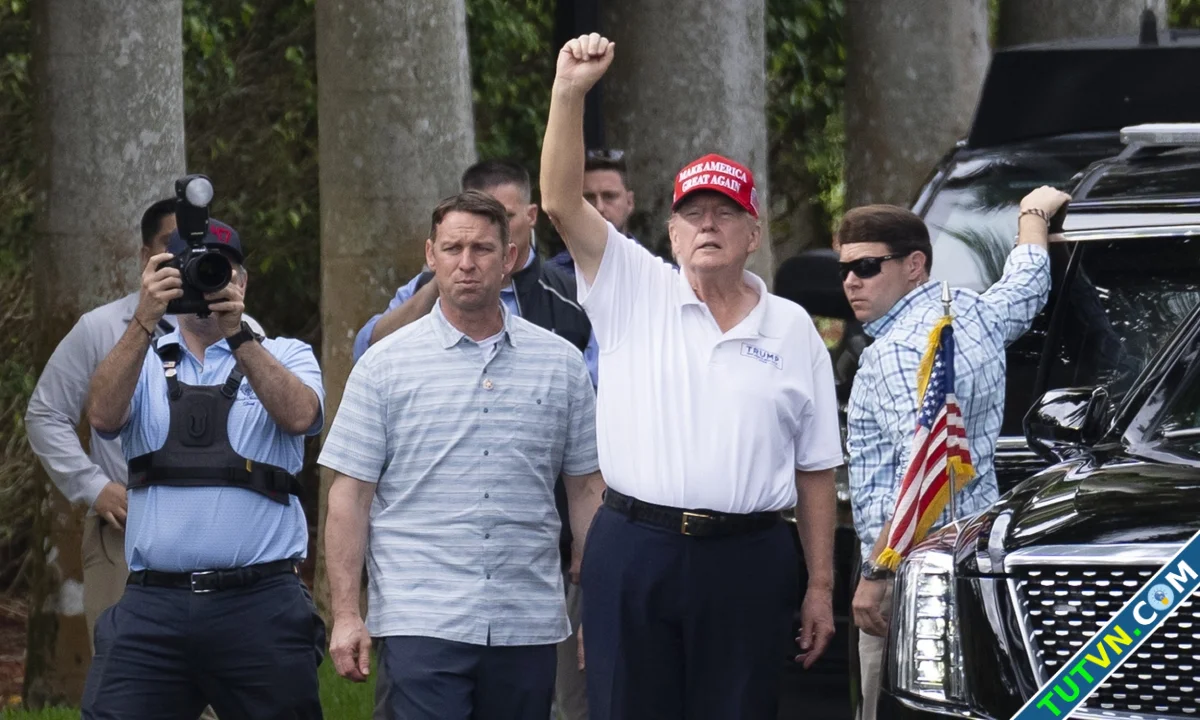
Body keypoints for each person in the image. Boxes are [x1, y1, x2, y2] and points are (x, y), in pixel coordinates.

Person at [540, 34, 843, 720]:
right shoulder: (631, 285)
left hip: (751, 555)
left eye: (725, 213)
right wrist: (569, 92)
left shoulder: (792, 327)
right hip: (636, 546)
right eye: (693, 214)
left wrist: (819, 586)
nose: (708, 225)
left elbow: (816, 470)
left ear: (753, 233)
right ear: (671, 233)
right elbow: (559, 200)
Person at [320, 190, 605, 720]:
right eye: (452, 249)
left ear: (511, 258)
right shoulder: (384, 365)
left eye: (482, 249)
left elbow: (588, 489)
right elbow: (350, 495)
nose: (466, 264)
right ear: (431, 256)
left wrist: (599, 609)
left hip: (528, 619)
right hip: (421, 617)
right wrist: (344, 614)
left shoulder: (561, 364)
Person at [80, 219, 325, 720]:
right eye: (190, 272)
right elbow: (102, 415)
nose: (207, 284)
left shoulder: (284, 354)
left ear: (243, 281)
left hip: (260, 603)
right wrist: (144, 319)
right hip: (154, 606)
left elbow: (301, 415)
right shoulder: (140, 360)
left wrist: (239, 336)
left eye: (221, 271)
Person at [840, 188, 1069, 720]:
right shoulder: (975, 313)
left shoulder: (896, 352)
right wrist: (1033, 215)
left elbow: (921, 472)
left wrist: (875, 576)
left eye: (868, 266)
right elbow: (1027, 284)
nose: (851, 281)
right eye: (847, 269)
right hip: (976, 559)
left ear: (915, 265)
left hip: (909, 570)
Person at [352, 159, 596, 386]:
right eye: (481, 217)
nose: (493, 229)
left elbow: (596, 388)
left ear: (531, 215)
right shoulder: (423, 287)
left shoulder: (573, 296)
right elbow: (368, 351)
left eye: (505, 217)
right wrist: (441, 283)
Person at [549, 149, 636, 277]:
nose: (599, 207)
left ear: (629, 202)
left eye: (609, 196)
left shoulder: (657, 273)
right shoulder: (551, 279)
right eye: (589, 198)